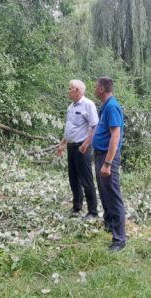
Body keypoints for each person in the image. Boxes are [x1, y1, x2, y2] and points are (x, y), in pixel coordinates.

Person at [92, 76, 127, 252]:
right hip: (100, 155)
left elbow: (115, 136)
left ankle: (119, 239)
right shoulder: (105, 107)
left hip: (108, 157)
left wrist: (107, 163)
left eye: (95, 86)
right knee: (105, 194)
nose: (93, 88)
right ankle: (110, 224)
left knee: (113, 195)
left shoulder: (112, 106)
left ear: (101, 89)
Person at [56, 80, 99, 220]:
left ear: (78, 90)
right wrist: (62, 144)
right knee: (73, 177)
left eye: (70, 89)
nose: (68, 91)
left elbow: (94, 126)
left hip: (82, 147)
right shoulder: (70, 107)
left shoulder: (88, 104)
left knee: (86, 179)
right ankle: (77, 205)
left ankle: (93, 211)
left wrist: (86, 144)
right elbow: (68, 128)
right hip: (71, 146)